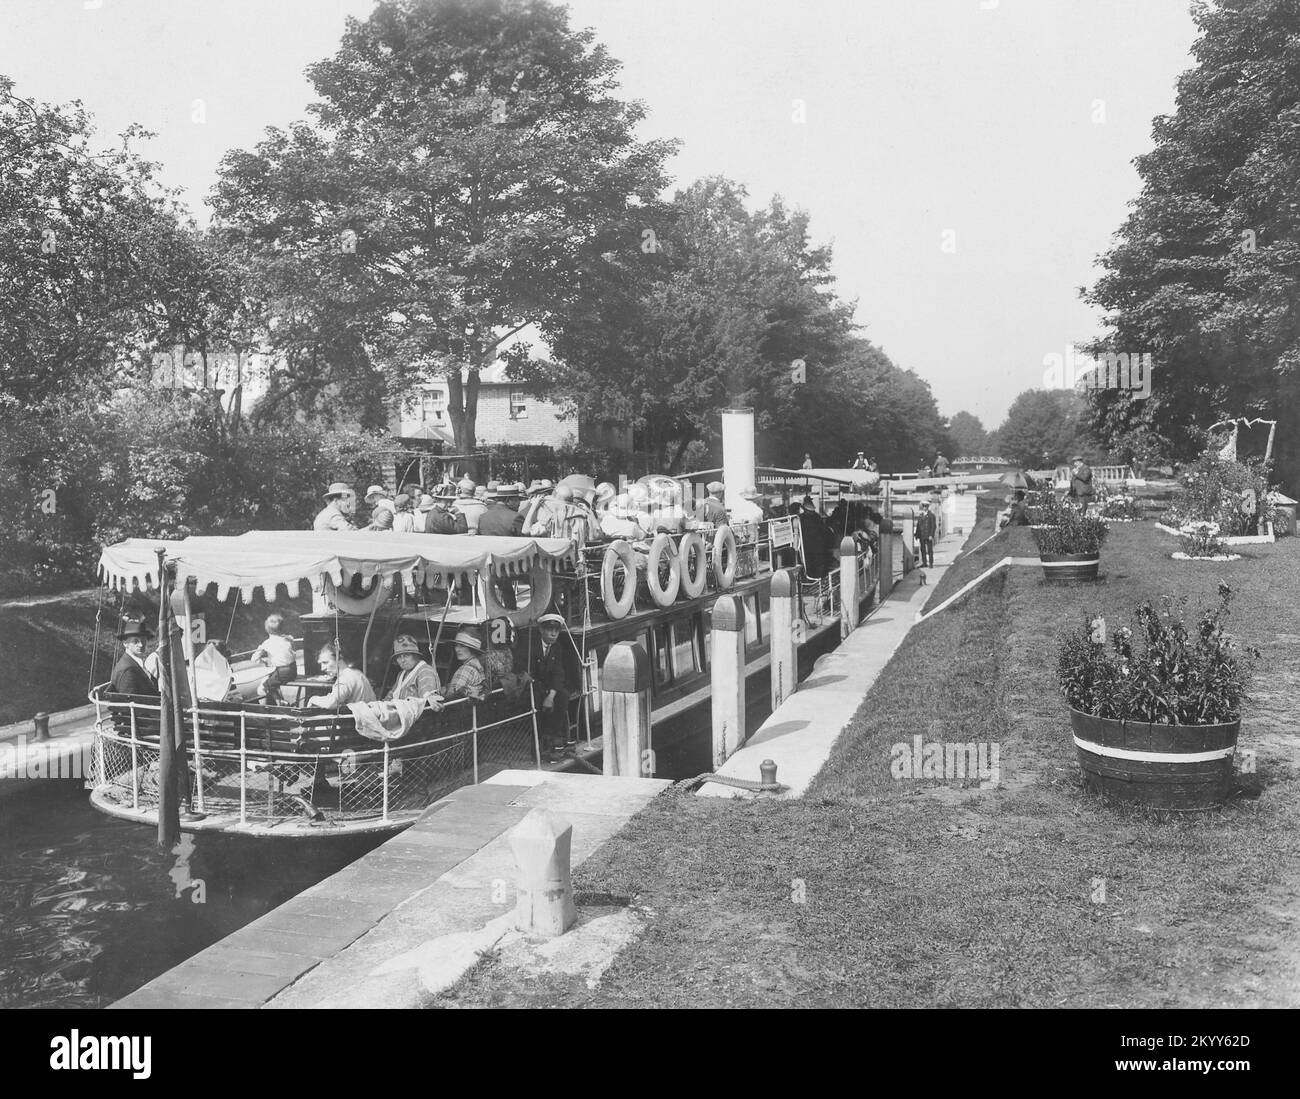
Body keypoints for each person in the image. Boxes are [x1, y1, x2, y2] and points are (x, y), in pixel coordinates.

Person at [531, 613, 581, 757]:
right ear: (541, 630)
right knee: (537, 699)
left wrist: (551, 695)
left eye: (556, 631)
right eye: (549, 630)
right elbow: (529, 673)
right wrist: (546, 694)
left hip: (548, 688)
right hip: (534, 687)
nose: (553, 634)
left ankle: (554, 737)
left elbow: (559, 673)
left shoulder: (556, 648)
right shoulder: (532, 647)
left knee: (563, 695)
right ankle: (540, 741)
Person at [308, 641, 376, 708]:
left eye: (325, 662)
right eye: (321, 664)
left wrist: (313, 699)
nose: (322, 668)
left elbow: (331, 703)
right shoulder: (357, 673)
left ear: (338, 659)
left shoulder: (345, 679)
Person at [253, 614, 297, 705]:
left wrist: (263, 660)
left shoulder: (267, 643)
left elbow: (254, 659)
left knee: (264, 687)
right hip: (293, 670)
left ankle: (271, 707)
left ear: (267, 629)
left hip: (282, 673)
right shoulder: (289, 638)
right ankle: (280, 702)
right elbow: (290, 654)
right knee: (271, 683)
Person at [385, 635, 443, 704]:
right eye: (399, 657)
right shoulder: (402, 674)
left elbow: (427, 696)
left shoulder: (425, 671)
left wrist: (430, 698)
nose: (402, 660)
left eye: (406, 655)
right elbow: (391, 696)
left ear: (415, 656)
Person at [110, 619, 158, 696]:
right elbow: (129, 703)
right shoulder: (128, 670)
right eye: (135, 641)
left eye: (143, 640)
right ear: (125, 643)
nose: (141, 645)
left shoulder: (135, 663)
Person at [444, 628, 487, 702]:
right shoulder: (477, 666)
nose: (457, 649)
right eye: (456, 645)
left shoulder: (466, 669)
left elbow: (451, 698)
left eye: (462, 646)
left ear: (472, 649)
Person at [796, 495, 833, 579]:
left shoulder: (801, 518)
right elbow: (824, 530)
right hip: (815, 544)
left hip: (808, 544)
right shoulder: (816, 517)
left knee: (810, 563)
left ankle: (813, 578)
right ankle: (817, 579)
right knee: (816, 563)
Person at [915, 500, 937, 568]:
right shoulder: (920, 515)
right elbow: (918, 526)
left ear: (928, 507)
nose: (925, 508)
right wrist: (917, 535)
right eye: (923, 506)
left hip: (928, 535)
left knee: (930, 550)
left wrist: (931, 535)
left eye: (926, 506)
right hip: (922, 535)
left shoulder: (931, 515)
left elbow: (933, 526)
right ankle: (924, 563)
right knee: (923, 550)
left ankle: (931, 563)